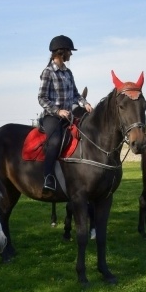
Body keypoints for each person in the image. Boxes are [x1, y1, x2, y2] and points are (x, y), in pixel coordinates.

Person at [37, 35, 93, 192]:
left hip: (69, 117)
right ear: (61, 52)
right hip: (52, 117)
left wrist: (85, 104)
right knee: (55, 141)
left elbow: (76, 94)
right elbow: (41, 98)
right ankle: (48, 176)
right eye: (70, 51)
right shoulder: (48, 72)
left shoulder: (68, 73)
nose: (71, 54)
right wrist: (57, 111)